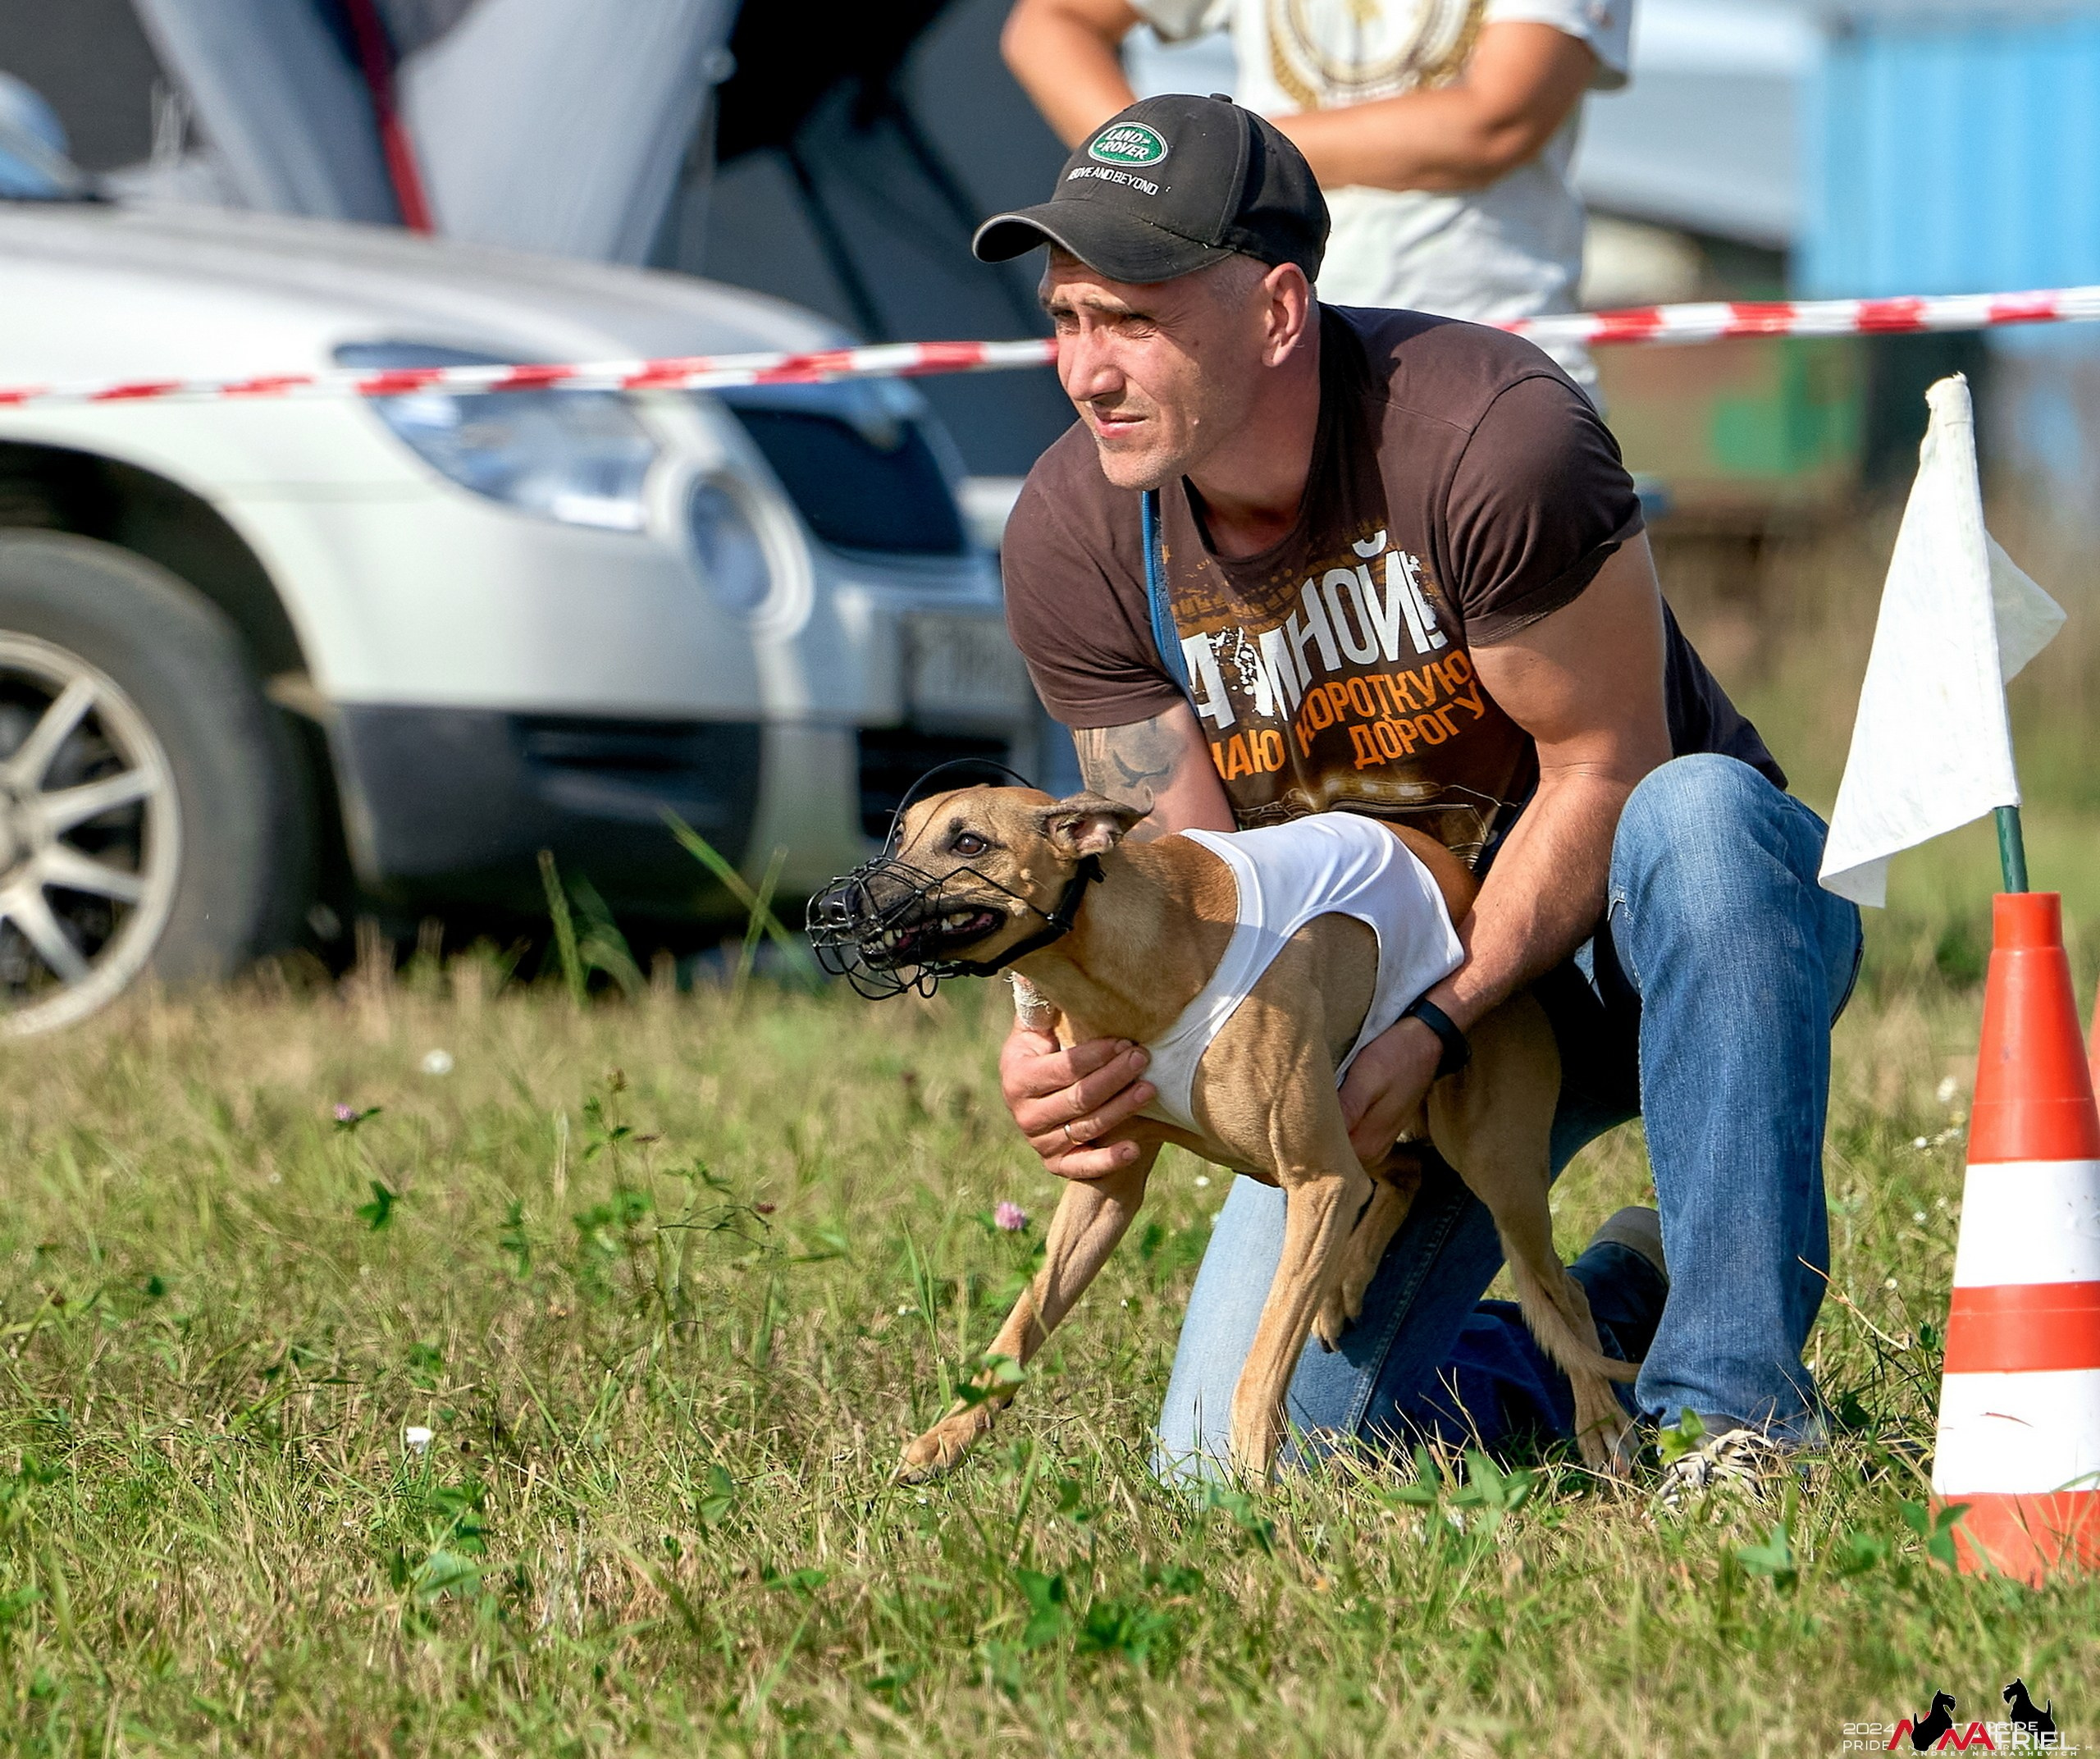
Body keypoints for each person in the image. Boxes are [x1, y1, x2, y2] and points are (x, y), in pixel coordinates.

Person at [972, 94, 1863, 1496]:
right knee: (1231, 1463)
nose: (1086, 367)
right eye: (1067, 314)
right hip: (1390, 1004)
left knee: (1697, 817)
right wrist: (1088, 1053)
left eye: (1132, 316)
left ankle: (1732, 1413)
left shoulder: (1488, 437)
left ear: (1275, 311)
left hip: (1670, 941)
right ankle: (1621, 1315)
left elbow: (1609, 765)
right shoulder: (1073, 533)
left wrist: (1442, 1021)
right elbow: (1199, 904)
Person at [1000, 0, 1628, 396]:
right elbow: (1049, 24)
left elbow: (1495, 122)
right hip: (1275, 370)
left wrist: (1210, 166)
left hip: (1486, 370)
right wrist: (1143, 171)